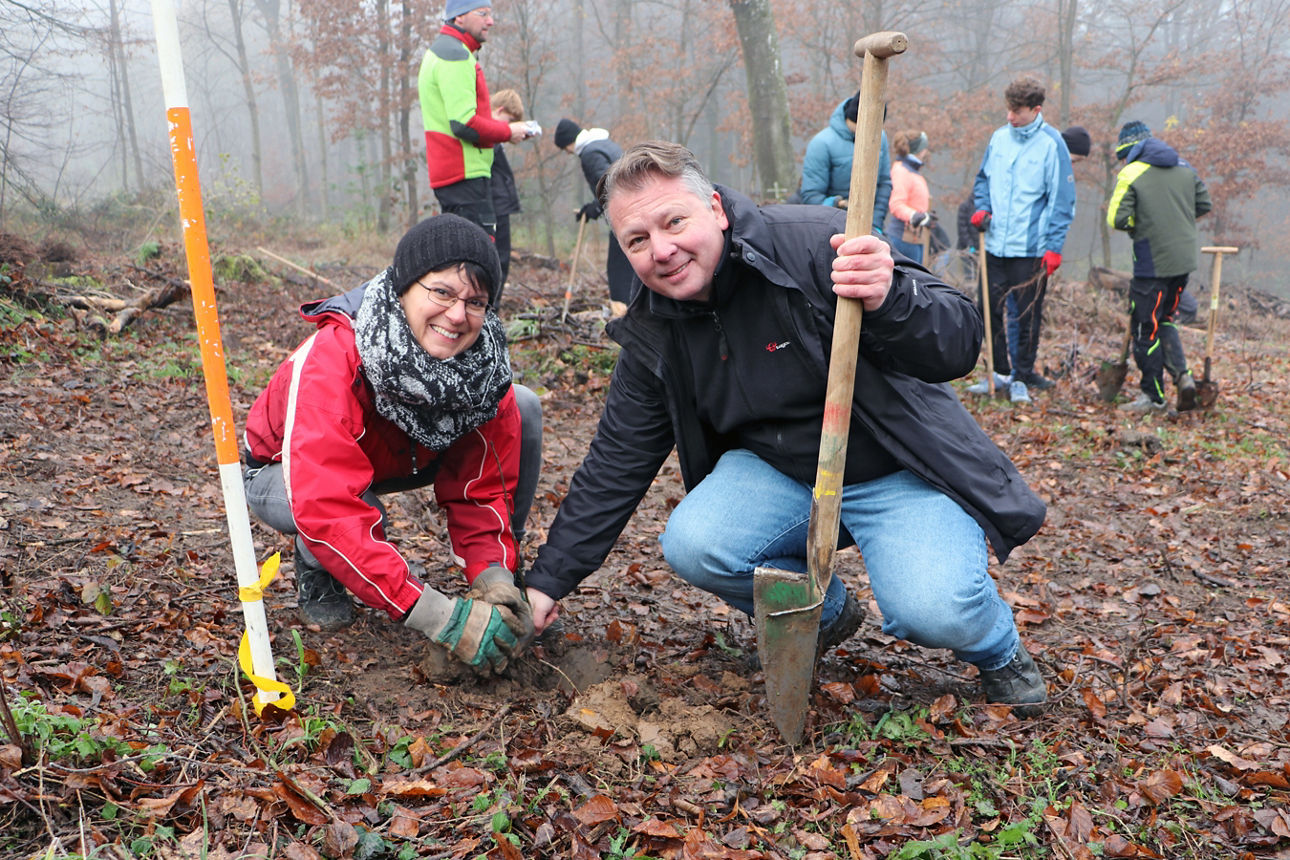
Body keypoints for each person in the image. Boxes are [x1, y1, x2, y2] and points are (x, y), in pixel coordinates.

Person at [521, 141, 1049, 714]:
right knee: (695, 544)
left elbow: (959, 342)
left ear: (717, 210)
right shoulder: (656, 329)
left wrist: (893, 297)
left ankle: (999, 652)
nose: (663, 251)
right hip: (780, 474)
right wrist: (549, 581)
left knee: (934, 607)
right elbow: (615, 461)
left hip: (895, 466)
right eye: (637, 241)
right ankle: (822, 615)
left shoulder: (814, 244)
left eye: (674, 222)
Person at [242, 214, 543, 676]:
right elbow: (327, 504)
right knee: (360, 511)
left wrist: (494, 577)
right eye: (441, 292)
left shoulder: (483, 372)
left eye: (476, 302)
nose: (458, 315)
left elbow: (480, 490)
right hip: (280, 472)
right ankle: (317, 567)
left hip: (397, 454)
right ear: (404, 286)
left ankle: (503, 584)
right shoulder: (336, 356)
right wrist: (437, 616)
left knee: (521, 404)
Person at [966, 76, 1075, 404]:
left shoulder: (1052, 144)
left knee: (1026, 315)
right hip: (995, 243)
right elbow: (982, 179)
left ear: (1036, 109)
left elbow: (1062, 199)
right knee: (988, 310)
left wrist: (1054, 247)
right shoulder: (998, 138)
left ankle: (1022, 375)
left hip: (1031, 249)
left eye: (1017, 111)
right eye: (1008, 109)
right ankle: (998, 372)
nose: (1010, 116)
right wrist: (982, 208)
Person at [1107, 120, 1212, 413]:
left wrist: (1140, 226)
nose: (1122, 162)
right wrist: (1175, 219)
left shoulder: (1131, 172)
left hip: (1150, 265)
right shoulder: (1184, 166)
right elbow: (1203, 204)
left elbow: (1116, 218)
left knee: (1144, 329)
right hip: (1182, 263)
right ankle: (1183, 377)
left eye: (1122, 156)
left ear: (1129, 151)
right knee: (1164, 319)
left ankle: (1152, 396)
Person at [418, 0, 533, 236]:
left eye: (490, 14)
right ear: (459, 17)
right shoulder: (454, 55)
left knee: (463, 255)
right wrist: (507, 132)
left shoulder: (446, 52)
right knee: (475, 259)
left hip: (458, 176)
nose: (490, 21)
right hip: (464, 176)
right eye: (482, 14)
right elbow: (463, 123)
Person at [1006, 125, 1091, 371]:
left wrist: (1053, 247)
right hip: (1021, 249)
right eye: (1073, 159)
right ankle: (1014, 369)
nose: (1071, 166)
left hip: (1041, 250)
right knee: (1018, 312)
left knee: (1032, 313)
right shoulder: (1036, 165)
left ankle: (1025, 368)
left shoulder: (1059, 173)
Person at [553, 118, 635, 316]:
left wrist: (595, 208)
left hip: (626, 216)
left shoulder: (589, 153)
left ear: (568, 143)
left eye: (565, 148)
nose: (568, 152)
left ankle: (624, 313)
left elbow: (610, 187)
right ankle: (632, 309)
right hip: (633, 211)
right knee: (630, 262)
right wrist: (594, 206)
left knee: (619, 267)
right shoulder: (604, 144)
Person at [799, 90, 892, 236]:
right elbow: (812, 195)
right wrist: (838, 205)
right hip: (832, 228)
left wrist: (876, 224)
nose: (870, 133)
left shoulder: (881, 138)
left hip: (871, 227)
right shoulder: (821, 143)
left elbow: (884, 183)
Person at [489, 88, 530, 301]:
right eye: (509, 121)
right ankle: (490, 309)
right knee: (497, 260)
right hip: (492, 206)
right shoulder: (486, 135)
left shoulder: (493, 137)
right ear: (499, 110)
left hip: (499, 206)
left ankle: (493, 309)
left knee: (502, 260)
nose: (509, 127)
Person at [886, 130, 933, 264]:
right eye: (924, 148)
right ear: (919, 150)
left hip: (914, 240)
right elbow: (896, 204)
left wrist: (927, 217)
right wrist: (915, 216)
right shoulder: (901, 171)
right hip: (902, 240)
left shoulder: (912, 171)